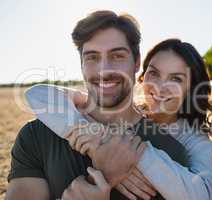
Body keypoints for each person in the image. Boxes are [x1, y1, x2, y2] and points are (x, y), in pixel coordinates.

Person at [6, 10, 191, 200]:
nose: (104, 70)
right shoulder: (37, 135)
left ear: (136, 63)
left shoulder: (170, 153)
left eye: (117, 56)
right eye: (92, 57)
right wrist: (104, 175)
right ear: (81, 65)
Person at [25, 38, 212, 200]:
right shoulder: (126, 113)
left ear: (190, 88)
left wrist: (132, 156)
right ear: (142, 75)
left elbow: (202, 195)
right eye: (154, 73)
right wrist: (99, 142)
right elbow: (37, 95)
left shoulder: (195, 139)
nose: (159, 86)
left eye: (176, 79)